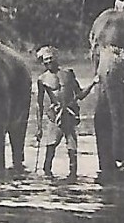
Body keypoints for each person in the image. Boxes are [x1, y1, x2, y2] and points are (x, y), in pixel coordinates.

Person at [35, 46, 98, 179]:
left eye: (50, 59)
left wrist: (93, 83)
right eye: (45, 61)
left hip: (69, 116)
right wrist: (39, 127)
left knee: (72, 151)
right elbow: (39, 104)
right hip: (54, 118)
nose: (48, 63)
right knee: (50, 150)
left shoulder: (68, 74)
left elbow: (80, 95)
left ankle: (72, 178)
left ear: (56, 59)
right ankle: (48, 178)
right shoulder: (42, 79)